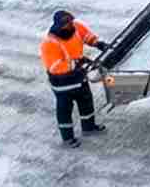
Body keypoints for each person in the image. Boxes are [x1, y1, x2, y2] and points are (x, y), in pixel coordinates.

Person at [41, 9, 107, 146]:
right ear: (59, 25)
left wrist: (97, 43)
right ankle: (67, 138)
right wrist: (77, 63)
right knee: (65, 110)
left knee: (86, 102)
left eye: (71, 21)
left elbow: (86, 35)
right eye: (67, 23)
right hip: (62, 84)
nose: (70, 25)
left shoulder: (75, 27)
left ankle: (88, 127)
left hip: (79, 77)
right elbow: (54, 66)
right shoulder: (49, 43)